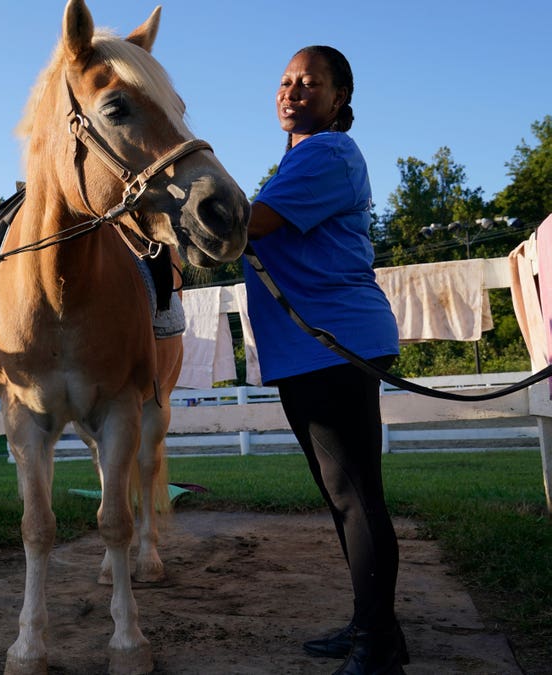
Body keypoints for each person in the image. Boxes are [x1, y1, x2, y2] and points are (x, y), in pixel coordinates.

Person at [241, 46, 407, 675]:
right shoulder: (301, 158)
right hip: (314, 347)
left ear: (341, 98)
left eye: (310, 83)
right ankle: (375, 627)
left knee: (354, 497)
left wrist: (174, 194)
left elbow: (250, 223)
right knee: (346, 495)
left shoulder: (327, 153)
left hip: (332, 344)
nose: (292, 91)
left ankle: (377, 648)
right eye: (285, 81)